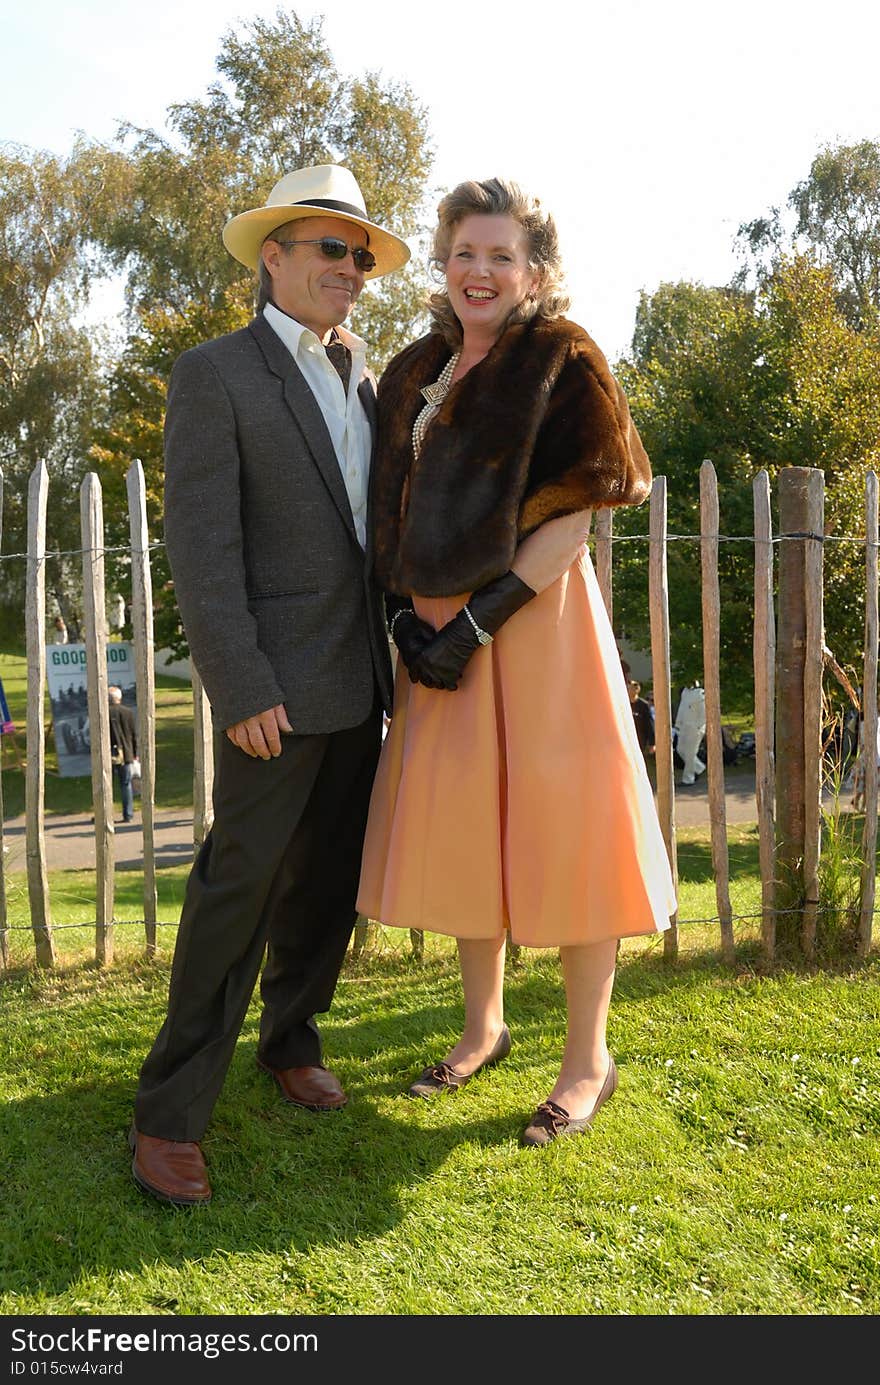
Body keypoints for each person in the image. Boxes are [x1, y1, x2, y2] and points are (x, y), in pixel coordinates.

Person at [358, 177, 677, 1146]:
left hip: (532, 627)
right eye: (464, 252)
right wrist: (409, 621)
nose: (479, 271)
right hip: (437, 632)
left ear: (535, 270)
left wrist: (475, 625)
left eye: (500, 255)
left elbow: (575, 516)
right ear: (443, 261)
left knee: (566, 833)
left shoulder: (561, 360)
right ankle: (482, 1026)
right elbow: (387, 512)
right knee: (467, 830)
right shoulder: (415, 367)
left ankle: (587, 1061)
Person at [130, 165, 408, 1205]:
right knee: (234, 894)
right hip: (272, 694)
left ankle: (291, 1038)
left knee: (325, 884)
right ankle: (167, 1113)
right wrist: (237, 683)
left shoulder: (366, 377)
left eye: (361, 251)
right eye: (328, 247)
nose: (350, 265)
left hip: (360, 684)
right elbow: (201, 547)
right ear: (273, 258)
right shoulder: (215, 373)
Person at [108, 685, 138, 823]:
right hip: (126, 753)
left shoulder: (105, 713)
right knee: (126, 784)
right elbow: (133, 735)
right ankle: (128, 814)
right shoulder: (128, 712)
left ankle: (106, 815)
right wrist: (135, 753)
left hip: (108, 753)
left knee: (106, 786)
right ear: (120, 697)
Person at [627, 677, 655, 758]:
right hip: (627, 737)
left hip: (640, 740)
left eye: (635, 687)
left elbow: (649, 724)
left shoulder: (644, 705)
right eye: (631, 687)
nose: (632, 689)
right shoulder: (624, 704)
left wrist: (652, 743)